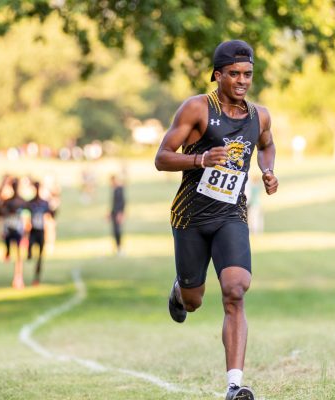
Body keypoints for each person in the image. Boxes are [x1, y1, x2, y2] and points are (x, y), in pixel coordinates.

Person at [154, 40, 278, 400]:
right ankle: (180, 292)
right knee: (195, 300)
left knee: (236, 290)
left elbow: (267, 144)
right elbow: (161, 157)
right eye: (235, 74)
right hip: (190, 216)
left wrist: (267, 170)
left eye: (248, 74)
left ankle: (234, 385)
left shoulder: (259, 116)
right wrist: (200, 160)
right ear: (218, 74)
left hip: (231, 215)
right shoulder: (197, 109)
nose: (242, 81)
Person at [0, 178, 28, 289]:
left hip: (18, 230)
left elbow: (26, 215)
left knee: (19, 255)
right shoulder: (7, 202)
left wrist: (26, 230)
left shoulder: (21, 201)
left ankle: (18, 277)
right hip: (9, 229)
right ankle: (7, 253)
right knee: (10, 252)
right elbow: (1, 215)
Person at [27, 181, 52, 285]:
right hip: (33, 231)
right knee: (30, 253)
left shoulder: (44, 203)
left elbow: (51, 214)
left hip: (41, 231)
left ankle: (36, 277)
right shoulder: (30, 203)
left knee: (40, 257)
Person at [109, 175, 125, 255]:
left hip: (118, 214)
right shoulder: (115, 189)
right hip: (114, 213)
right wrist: (110, 213)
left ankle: (120, 249)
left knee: (118, 231)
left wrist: (120, 213)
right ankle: (116, 248)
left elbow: (122, 202)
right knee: (114, 231)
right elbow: (114, 204)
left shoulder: (120, 189)